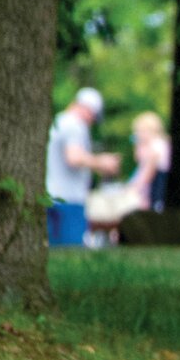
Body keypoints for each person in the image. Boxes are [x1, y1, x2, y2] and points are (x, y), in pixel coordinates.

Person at [45, 87, 120, 246]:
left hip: (52, 195)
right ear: (89, 110)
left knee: (54, 250)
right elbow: (74, 157)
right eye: (93, 116)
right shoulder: (75, 125)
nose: (91, 122)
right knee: (71, 250)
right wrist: (102, 162)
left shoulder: (59, 120)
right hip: (70, 198)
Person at [127, 111, 171, 213]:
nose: (137, 135)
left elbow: (146, 174)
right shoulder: (162, 144)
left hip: (157, 195)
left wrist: (132, 190)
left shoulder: (156, 147)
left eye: (138, 132)